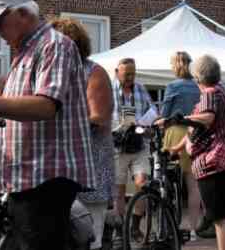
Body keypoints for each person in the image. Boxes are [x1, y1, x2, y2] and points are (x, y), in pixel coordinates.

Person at [0, 0, 98, 250]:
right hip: (29, 174)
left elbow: (45, 106)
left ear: (23, 13)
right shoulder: (26, 52)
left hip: (46, 175)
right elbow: (16, 108)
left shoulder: (54, 46)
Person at [51, 17, 113, 250]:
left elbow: (98, 117)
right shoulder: (56, 73)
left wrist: (58, 128)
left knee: (89, 238)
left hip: (90, 168)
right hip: (61, 171)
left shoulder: (93, 72)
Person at [185, 55, 225, 250]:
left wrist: (183, 119)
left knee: (219, 219)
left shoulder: (210, 94)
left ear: (198, 78)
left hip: (214, 162)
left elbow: (208, 117)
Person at [153, 51, 207, 238]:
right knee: (193, 185)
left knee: (166, 181)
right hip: (195, 135)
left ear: (175, 66)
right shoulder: (198, 87)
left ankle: (168, 226)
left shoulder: (172, 86)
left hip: (175, 133)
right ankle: (193, 230)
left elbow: (165, 114)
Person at [111, 58, 155, 217]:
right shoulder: (109, 89)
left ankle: (136, 224)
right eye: (126, 74)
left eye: (133, 74)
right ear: (117, 73)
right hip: (117, 145)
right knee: (119, 189)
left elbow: (153, 110)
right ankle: (120, 227)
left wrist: (145, 124)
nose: (130, 77)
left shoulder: (140, 88)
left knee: (142, 183)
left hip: (138, 142)